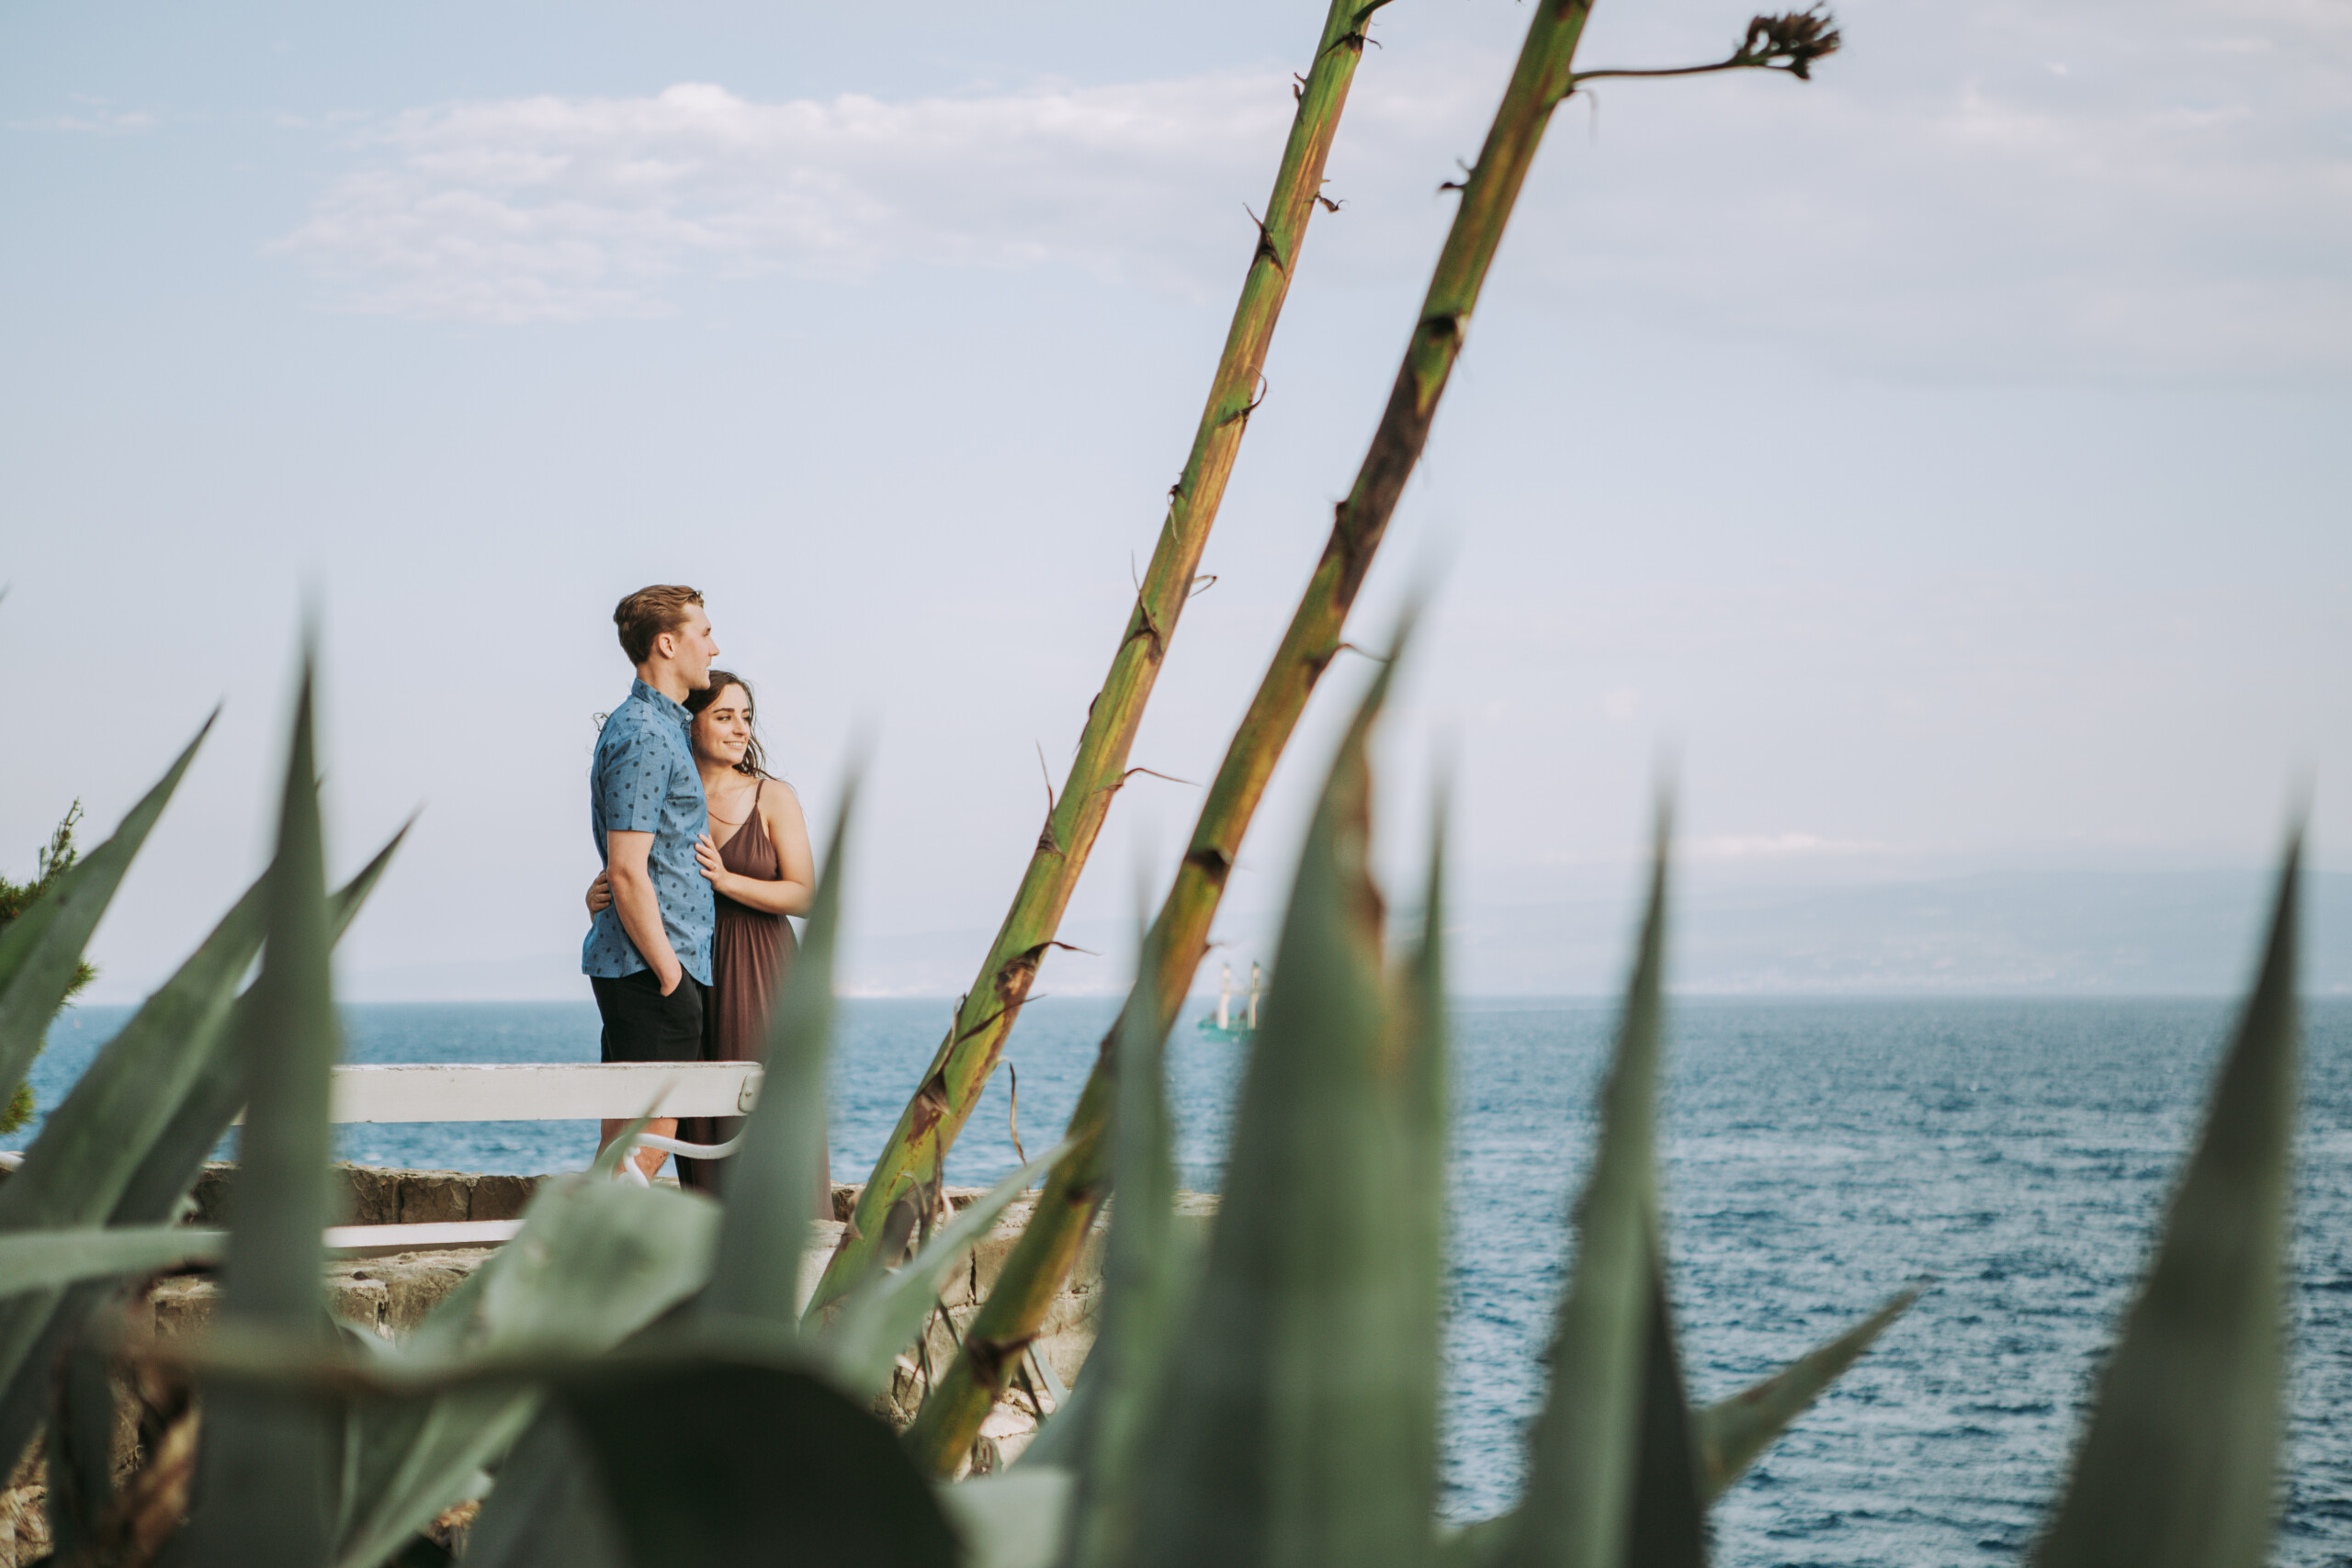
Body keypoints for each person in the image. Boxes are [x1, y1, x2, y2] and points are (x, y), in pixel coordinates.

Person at [589, 670, 823, 1207]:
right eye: (723, 716)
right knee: (692, 1114)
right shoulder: (672, 788)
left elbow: (806, 894)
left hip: (757, 965)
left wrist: (727, 880)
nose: (740, 729)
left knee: (760, 1106)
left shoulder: (772, 796)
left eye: (746, 717)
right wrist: (599, 893)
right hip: (687, 963)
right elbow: (633, 864)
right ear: (689, 724)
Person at [583, 584, 720, 1182]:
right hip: (652, 970)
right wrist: (671, 974)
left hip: (651, 965)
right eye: (705, 632)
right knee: (645, 1144)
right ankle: (582, 1268)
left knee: (623, 1146)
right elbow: (626, 869)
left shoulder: (657, 727)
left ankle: (578, 1265)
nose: (715, 647)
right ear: (667, 643)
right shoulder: (644, 733)